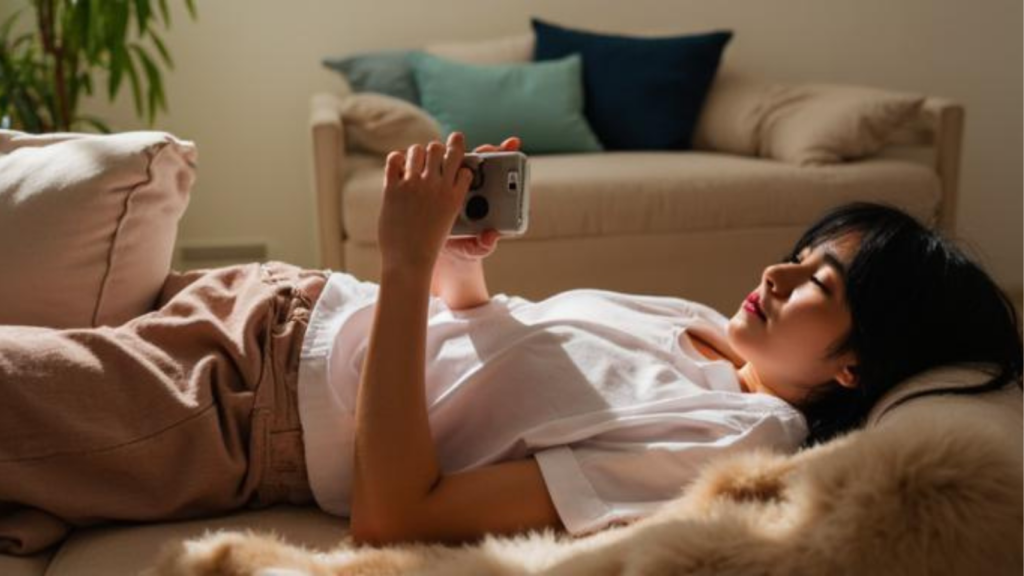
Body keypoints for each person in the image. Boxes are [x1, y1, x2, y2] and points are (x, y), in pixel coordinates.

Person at [0, 134, 1020, 556]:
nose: (780, 275)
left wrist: (402, 268)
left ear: (857, 365)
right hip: (272, 304)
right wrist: (453, 264)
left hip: (239, 405)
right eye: (799, 255)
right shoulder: (688, 321)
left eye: (820, 286)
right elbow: (483, 347)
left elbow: (399, 512)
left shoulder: (729, 439)